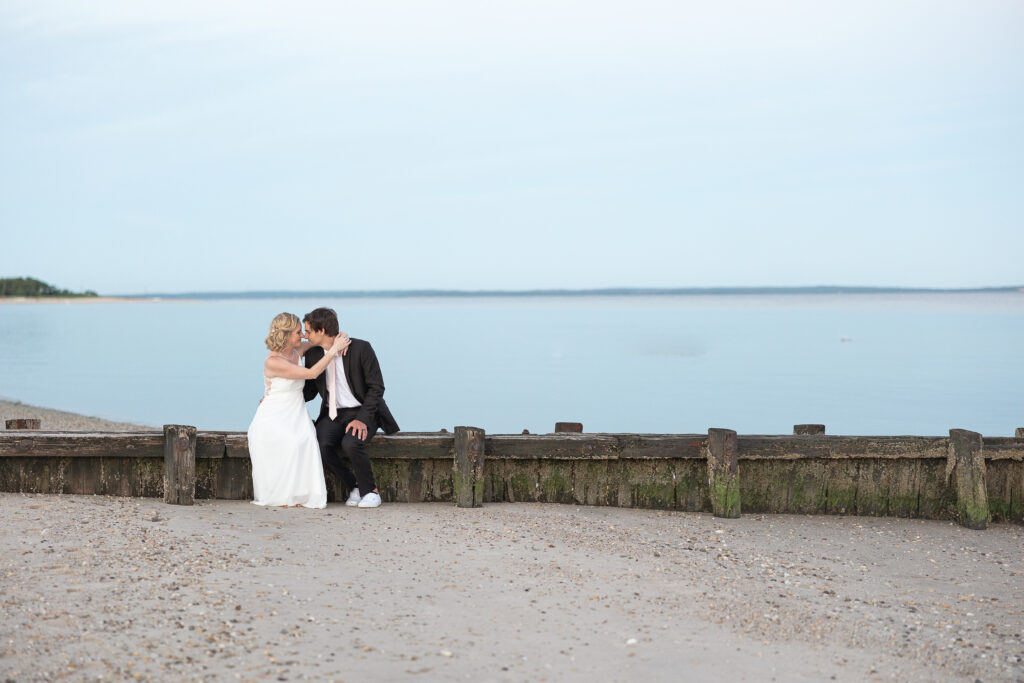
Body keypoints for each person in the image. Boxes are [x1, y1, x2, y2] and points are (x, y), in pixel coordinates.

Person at [247, 312, 349, 508]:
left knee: (309, 440)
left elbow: (319, 340)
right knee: (291, 442)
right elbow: (311, 373)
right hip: (274, 415)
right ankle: (283, 496)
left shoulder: (297, 350)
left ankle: (301, 495)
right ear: (285, 334)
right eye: (298, 332)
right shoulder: (273, 361)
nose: (302, 335)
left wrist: (338, 337)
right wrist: (333, 350)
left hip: (296, 412)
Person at [302, 307, 399, 509]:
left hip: (364, 411)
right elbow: (309, 391)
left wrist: (362, 419)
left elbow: (376, 387)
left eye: (308, 331)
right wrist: (280, 398)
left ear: (321, 331)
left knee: (351, 443)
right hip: (333, 413)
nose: (305, 335)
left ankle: (371, 491)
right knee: (320, 444)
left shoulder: (361, 348)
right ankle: (354, 486)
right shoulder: (312, 354)